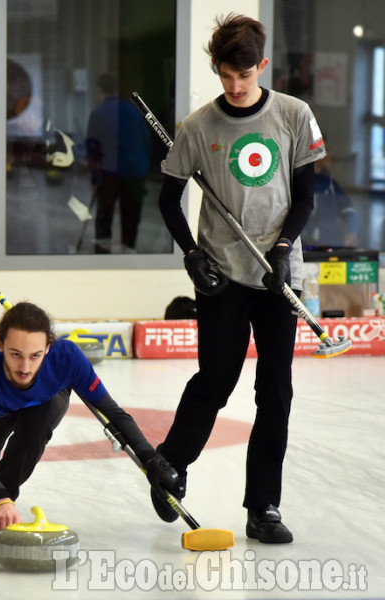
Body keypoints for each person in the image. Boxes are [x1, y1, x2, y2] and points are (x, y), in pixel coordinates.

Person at [155, 13, 326, 544]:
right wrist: (190, 256)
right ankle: (169, 468)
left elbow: (305, 197)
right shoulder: (198, 127)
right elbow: (168, 198)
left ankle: (263, 507)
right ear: (217, 69)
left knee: (275, 393)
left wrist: (279, 250)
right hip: (223, 278)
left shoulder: (294, 115)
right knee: (216, 381)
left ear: (262, 66)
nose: (234, 86)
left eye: (244, 76)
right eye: (226, 76)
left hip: (278, 278)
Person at [0, 301, 179, 534]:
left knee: (36, 428)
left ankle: (0, 492)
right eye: (16, 354)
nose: (25, 368)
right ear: (0, 343)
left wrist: (150, 458)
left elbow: (113, 412)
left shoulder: (67, 358)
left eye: (35, 355)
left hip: (41, 406)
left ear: (49, 347)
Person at [86, 73, 152, 253]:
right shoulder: (133, 112)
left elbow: (93, 149)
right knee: (131, 215)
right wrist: (143, 170)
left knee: (104, 215)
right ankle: (128, 249)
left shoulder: (97, 114)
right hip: (134, 170)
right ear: (118, 89)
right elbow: (146, 143)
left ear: (99, 90)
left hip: (109, 172)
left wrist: (94, 178)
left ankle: (102, 251)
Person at [304, 152, 360, 249]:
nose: (331, 155)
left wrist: (353, 231)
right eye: (326, 150)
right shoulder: (302, 181)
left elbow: (346, 206)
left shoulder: (328, 180)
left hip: (332, 244)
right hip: (308, 247)